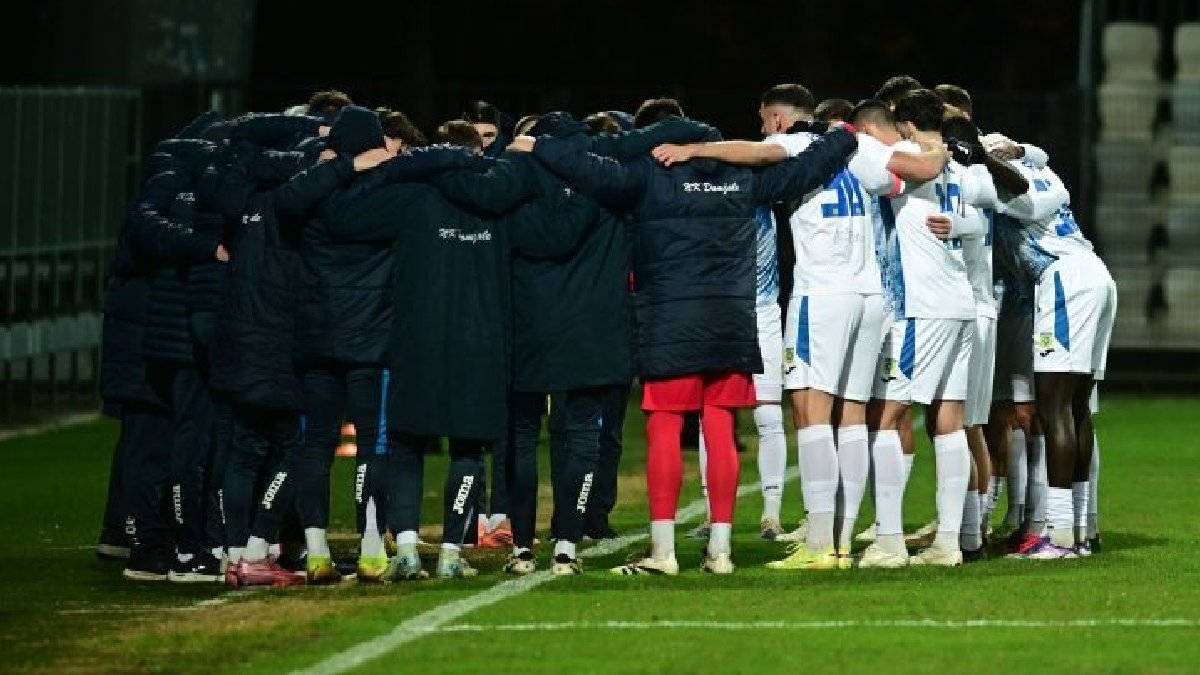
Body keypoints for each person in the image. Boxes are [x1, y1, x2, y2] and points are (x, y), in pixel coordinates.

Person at [517, 98, 859, 575]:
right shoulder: (741, 175)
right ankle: (721, 551)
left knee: (664, 429)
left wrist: (537, 145)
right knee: (719, 427)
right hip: (731, 320)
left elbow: (589, 169)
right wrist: (843, 133)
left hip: (669, 322)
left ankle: (664, 553)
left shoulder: (645, 174)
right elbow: (806, 169)